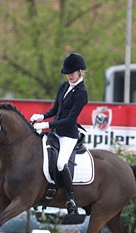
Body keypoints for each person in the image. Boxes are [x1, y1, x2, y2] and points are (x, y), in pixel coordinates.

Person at [30, 53, 88, 215]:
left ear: (80, 72)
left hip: (68, 135)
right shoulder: (64, 86)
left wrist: (47, 124)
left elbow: (70, 120)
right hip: (56, 132)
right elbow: (56, 110)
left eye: (72, 73)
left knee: (61, 163)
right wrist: (41, 116)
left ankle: (71, 199)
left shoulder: (82, 93)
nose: (69, 75)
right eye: (67, 73)